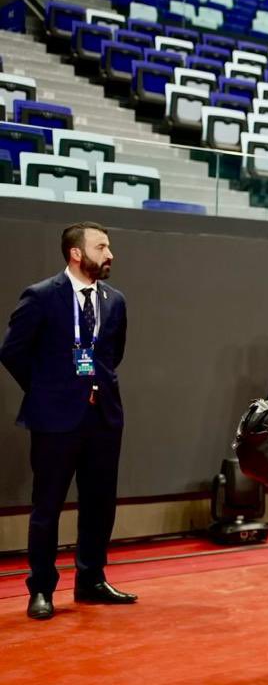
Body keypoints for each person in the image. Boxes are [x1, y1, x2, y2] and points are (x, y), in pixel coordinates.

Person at [1, 222, 136, 621]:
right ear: (76, 253)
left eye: (109, 245)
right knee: (48, 507)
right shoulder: (42, 296)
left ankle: (91, 579)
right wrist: (47, 388)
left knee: (100, 504)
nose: (109, 253)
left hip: (103, 418)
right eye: (101, 246)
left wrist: (94, 384)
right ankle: (41, 588)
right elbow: (12, 352)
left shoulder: (115, 300)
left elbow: (114, 353)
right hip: (55, 419)